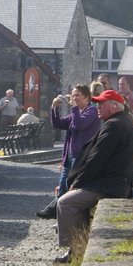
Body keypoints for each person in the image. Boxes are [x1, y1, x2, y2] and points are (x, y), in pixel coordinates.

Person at [53, 89, 133, 263]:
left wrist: (77, 183)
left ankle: (76, 250)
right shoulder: (121, 122)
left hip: (110, 184)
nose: (98, 107)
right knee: (73, 202)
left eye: (102, 104)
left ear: (115, 106)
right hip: (116, 182)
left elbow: (96, 158)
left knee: (66, 202)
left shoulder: (114, 125)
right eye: (97, 103)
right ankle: (78, 247)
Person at [36, 84, 100, 219]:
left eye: (77, 95)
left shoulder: (91, 111)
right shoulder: (75, 112)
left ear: (87, 97)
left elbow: (80, 124)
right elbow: (58, 124)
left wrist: (75, 108)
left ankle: (61, 212)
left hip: (81, 156)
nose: (74, 98)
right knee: (63, 183)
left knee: (72, 186)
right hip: (69, 155)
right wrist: (54, 108)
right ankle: (57, 211)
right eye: (73, 95)